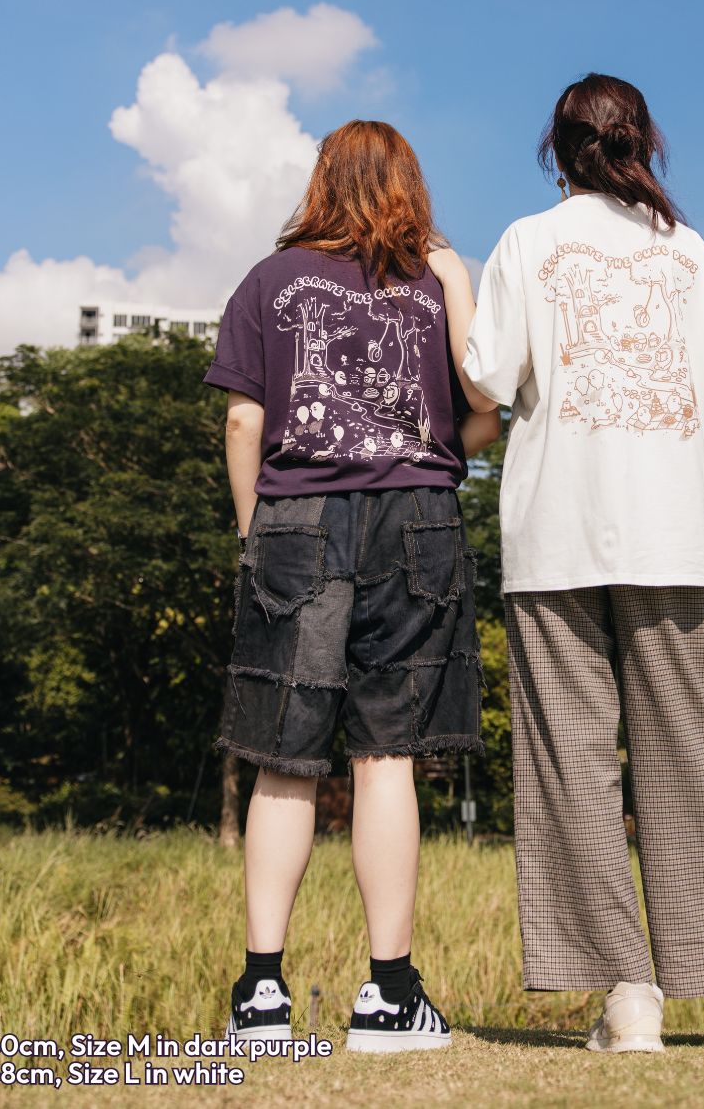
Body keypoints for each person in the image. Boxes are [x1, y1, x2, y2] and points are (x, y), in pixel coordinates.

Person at [459, 73, 704, 1061]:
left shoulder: (526, 242)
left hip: (556, 532)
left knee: (574, 769)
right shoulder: (692, 254)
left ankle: (629, 997)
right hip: (674, 538)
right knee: (696, 761)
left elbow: (486, 378)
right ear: (643, 143)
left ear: (557, 150)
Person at [204, 119, 500, 1052]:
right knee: (387, 756)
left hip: (295, 518)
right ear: (409, 184)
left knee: (283, 756)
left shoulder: (270, 278)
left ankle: (261, 995)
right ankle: (390, 995)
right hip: (418, 518)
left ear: (321, 179)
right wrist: (455, 284)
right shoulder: (428, 283)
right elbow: (487, 413)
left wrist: (259, 534)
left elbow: (245, 422)